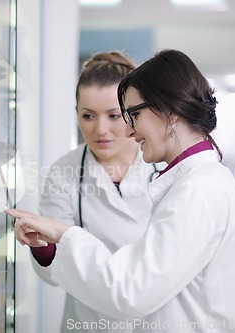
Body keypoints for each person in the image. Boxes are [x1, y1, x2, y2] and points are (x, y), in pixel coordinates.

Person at [7, 49, 235, 332]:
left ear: (169, 112)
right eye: (88, 115)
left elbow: (127, 291)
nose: (127, 131)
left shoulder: (196, 192)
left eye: (130, 115)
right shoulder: (209, 181)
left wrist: (64, 234)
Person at [31, 51, 156, 333]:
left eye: (114, 116)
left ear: (133, 114)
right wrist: (42, 246)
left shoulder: (163, 165)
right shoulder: (63, 172)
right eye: (88, 116)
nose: (100, 130)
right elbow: (53, 275)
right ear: (76, 113)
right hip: (90, 324)